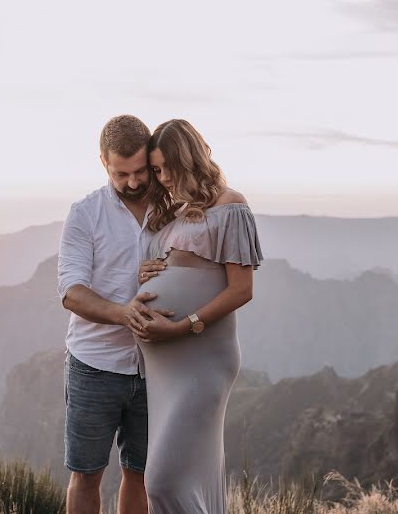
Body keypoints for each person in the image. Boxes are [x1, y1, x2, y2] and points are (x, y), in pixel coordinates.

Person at [126, 118, 263, 514]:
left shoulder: (230, 206)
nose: (163, 177)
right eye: (156, 169)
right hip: (165, 369)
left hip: (202, 361)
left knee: (162, 480)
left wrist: (181, 328)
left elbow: (241, 289)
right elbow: (168, 267)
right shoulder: (176, 212)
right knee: (183, 477)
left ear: (191, 159)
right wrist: (147, 273)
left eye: (169, 166)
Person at [57, 114, 171, 514]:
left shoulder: (172, 206)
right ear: (103, 162)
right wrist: (124, 314)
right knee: (87, 474)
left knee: (142, 472)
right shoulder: (85, 214)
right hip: (95, 365)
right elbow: (71, 293)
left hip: (157, 367)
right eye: (122, 173)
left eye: (141, 170)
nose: (134, 182)